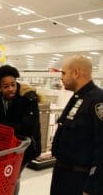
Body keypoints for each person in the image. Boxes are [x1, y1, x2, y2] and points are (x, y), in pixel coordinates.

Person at [0, 65, 41, 195]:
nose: (11, 89)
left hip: (25, 147)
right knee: (5, 176)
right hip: (5, 147)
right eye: (6, 86)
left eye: (13, 84)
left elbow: (27, 127)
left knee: (13, 177)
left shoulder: (28, 98)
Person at [50, 55, 103, 195]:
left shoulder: (97, 100)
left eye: (63, 72)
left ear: (76, 72)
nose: (61, 77)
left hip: (80, 179)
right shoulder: (77, 97)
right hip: (63, 174)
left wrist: (92, 187)